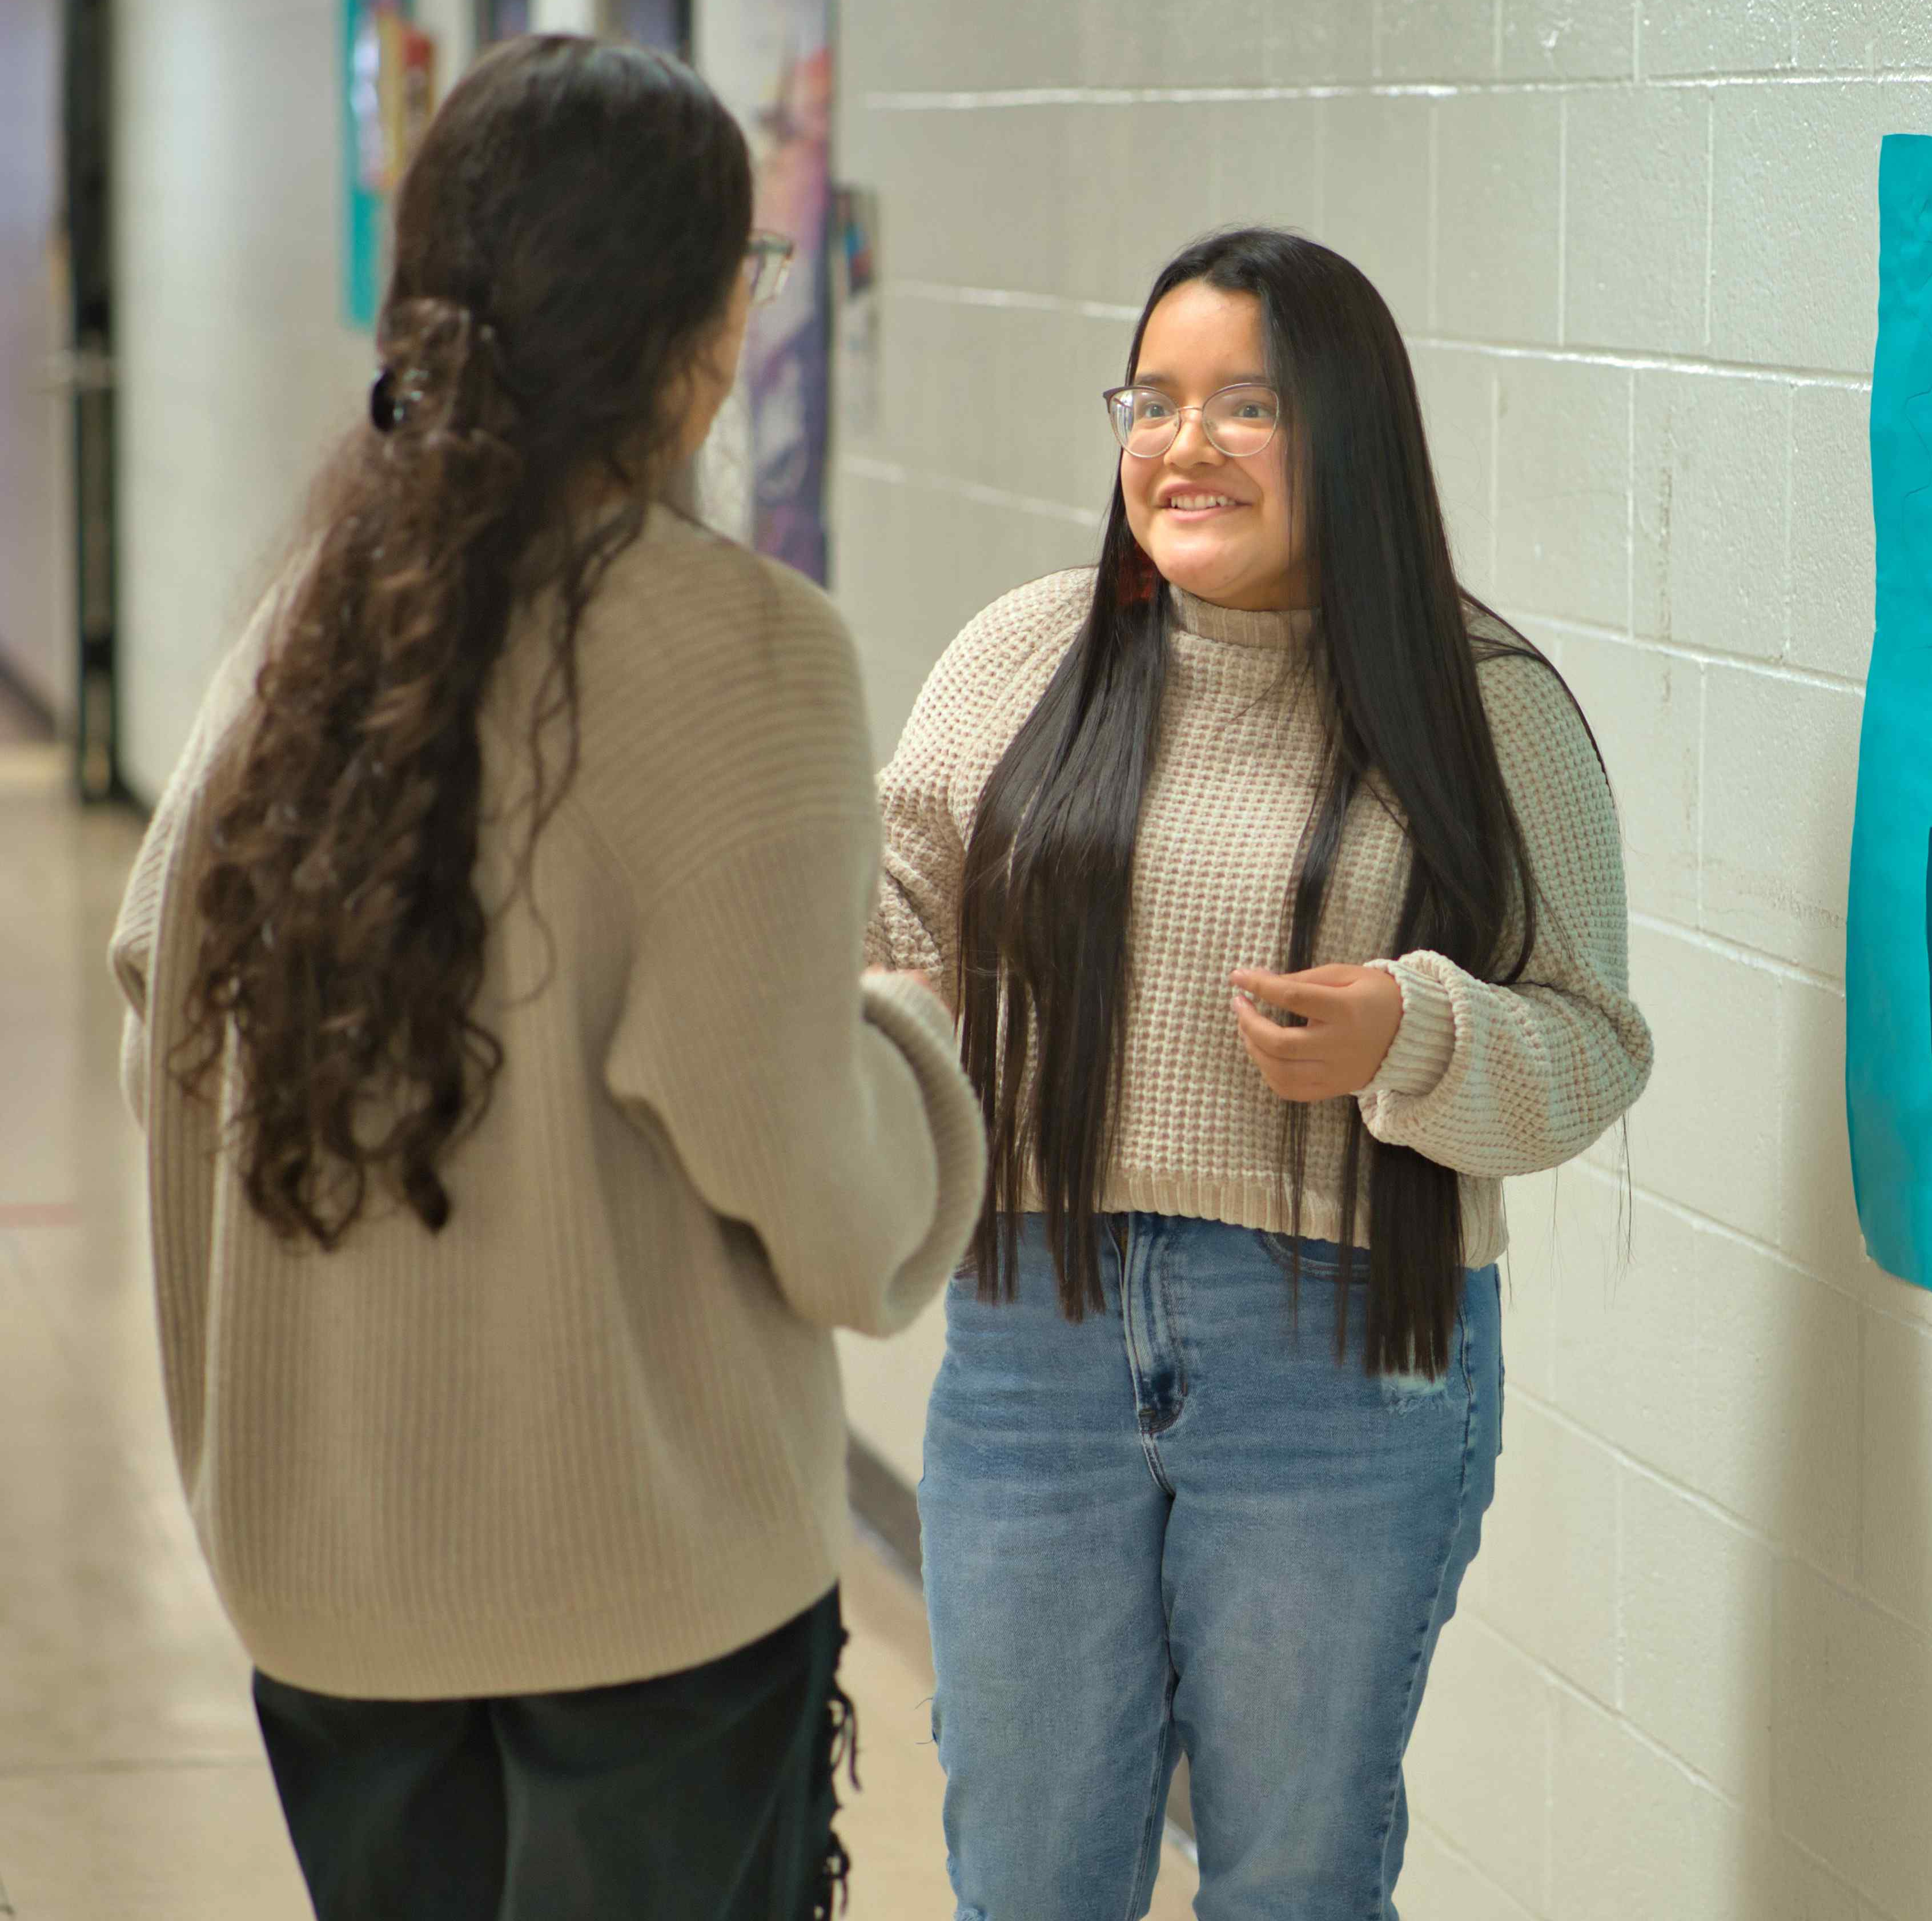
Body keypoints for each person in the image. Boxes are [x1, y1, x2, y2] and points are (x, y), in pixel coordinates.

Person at [105, 37, 979, 1920]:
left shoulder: (301, 628)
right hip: (644, 1602)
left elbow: (154, 994)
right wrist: (916, 1035)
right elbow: (821, 1198)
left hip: (325, 1584)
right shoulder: (741, 654)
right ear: (690, 322)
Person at [871, 226, 1653, 1919]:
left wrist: (1413, 1035)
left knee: (1292, 1872)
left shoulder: (1481, 704)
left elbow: (1591, 1040)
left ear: (1350, 436)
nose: (1181, 443)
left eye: (1245, 404)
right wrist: (898, 998)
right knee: (1023, 1861)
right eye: (1150, 400)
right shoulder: (1021, 658)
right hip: (1029, 1336)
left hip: (1339, 1357)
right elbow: (882, 925)